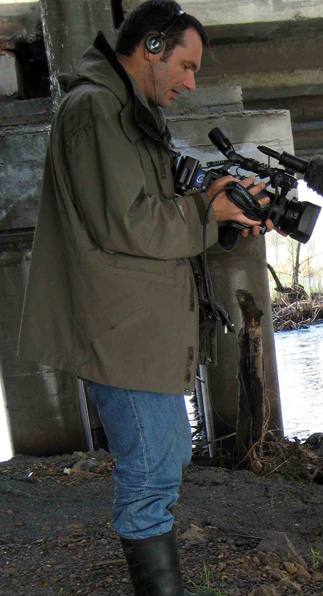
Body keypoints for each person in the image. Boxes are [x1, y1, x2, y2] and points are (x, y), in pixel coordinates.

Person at [17, 2, 269, 593]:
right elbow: (127, 223)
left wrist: (222, 212)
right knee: (153, 472)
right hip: (119, 331)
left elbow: (150, 211)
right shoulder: (95, 110)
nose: (190, 82)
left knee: (167, 456)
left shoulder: (123, 112)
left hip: (136, 328)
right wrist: (209, 212)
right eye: (185, 65)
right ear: (151, 48)